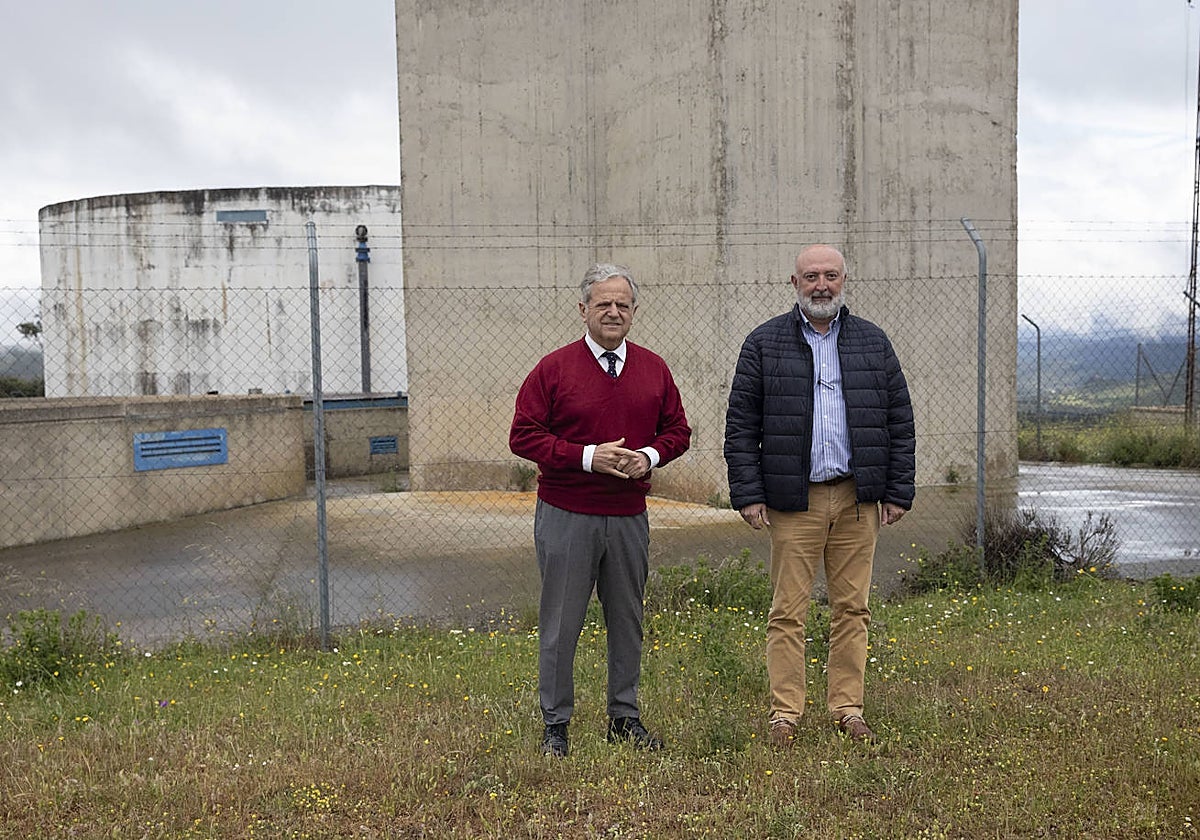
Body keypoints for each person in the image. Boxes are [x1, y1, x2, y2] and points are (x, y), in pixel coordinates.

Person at [723, 244, 915, 748]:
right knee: (788, 611)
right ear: (794, 283)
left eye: (831, 275)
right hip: (794, 501)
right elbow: (741, 426)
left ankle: (847, 707)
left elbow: (900, 422)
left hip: (857, 500)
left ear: (844, 280)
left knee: (853, 609)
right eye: (811, 276)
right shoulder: (763, 344)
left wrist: (897, 491)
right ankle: (785, 714)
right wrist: (748, 493)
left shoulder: (873, 342)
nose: (821, 285)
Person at [510, 262, 692, 758]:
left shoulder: (654, 368)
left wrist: (648, 457)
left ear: (634, 312)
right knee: (561, 622)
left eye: (623, 305)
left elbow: (678, 430)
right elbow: (523, 436)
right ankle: (556, 724)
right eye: (603, 303)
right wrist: (589, 456)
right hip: (568, 513)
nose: (613, 312)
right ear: (583, 309)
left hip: (629, 516)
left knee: (627, 619)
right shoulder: (553, 369)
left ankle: (624, 717)